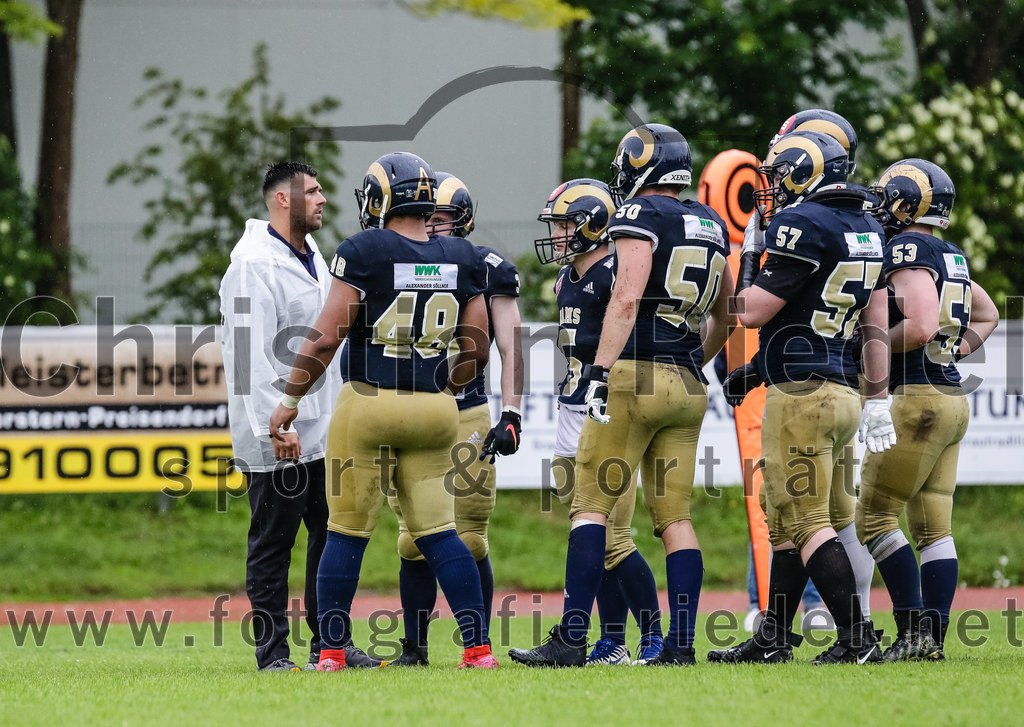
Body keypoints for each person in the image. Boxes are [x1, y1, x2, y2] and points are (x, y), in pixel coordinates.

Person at [509, 123, 736, 667]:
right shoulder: (711, 222)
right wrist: (692, 360)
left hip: (635, 375)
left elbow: (627, 298)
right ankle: (680, 645)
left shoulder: (638, 213)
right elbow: (729, 313)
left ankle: (572, 639)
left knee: (591, 510)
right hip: (687, 383)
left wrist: (599, 373)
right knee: (675, 519)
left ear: (641, 165)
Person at [268, 151, 497, 670]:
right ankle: (478, 649)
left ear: (381, 198)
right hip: (436, 410)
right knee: (440, 531)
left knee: (347, 530)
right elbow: (478, 349)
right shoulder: (463, 256)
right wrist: (442, 386)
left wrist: (289, 401)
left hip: (369, 402)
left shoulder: (363, 250)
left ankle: (331, 651)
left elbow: (326, 338)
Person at [708, 129, 895, 666]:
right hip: (842, 390)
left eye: (778, 174)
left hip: (802, 397)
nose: (773, 187)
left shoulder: (803, 223)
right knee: (788, 518)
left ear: (803, 172)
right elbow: (874, 325)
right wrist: (877, 399)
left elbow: (751, 312)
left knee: (805, 519)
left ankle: (857, 638)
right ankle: (773, 637)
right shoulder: (867, 225)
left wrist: (742, 268)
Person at [219, 161, 365, 671]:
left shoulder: (312, 254)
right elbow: (246, 355)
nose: (323, 199)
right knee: (274, 545)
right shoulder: (251, 265)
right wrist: (273, 423)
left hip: (323, 429)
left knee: (331, 536)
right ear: (283, 199)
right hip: (277, 432)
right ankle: (273, 654)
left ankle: (331, 644)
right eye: (314, 191)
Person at [857, 159, 998, 661]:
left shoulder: (907, 249)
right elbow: (988, 313)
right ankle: (931, 639)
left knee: (873, 517)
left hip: (916, 398)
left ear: (905, 203)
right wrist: (958, 349)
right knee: (934, 529)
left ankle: (913, 631)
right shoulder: (951, 255)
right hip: (951, 397)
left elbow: (918, 326)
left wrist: (870, 346)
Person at [389, 171, 524, 666]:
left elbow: (511, 347)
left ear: (462, 220)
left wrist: (511, 412)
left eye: (440, 217)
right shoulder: (394, 260)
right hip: (408, 413)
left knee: (468, 537)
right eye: (425, 216)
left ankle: (477, 644)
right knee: (411, 540)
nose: (430, 225)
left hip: (466, 411)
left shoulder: (486, 267)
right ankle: (414, 649)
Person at [535, 178, 665, 666]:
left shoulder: (616, 272)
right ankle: (611, 641)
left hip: (606, 408)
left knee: (614, 537)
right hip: (571, 407)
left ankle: (652, 636)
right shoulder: (566, 277)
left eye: (565, 224)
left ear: (592, 223)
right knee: (589, 533)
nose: (557, 234)